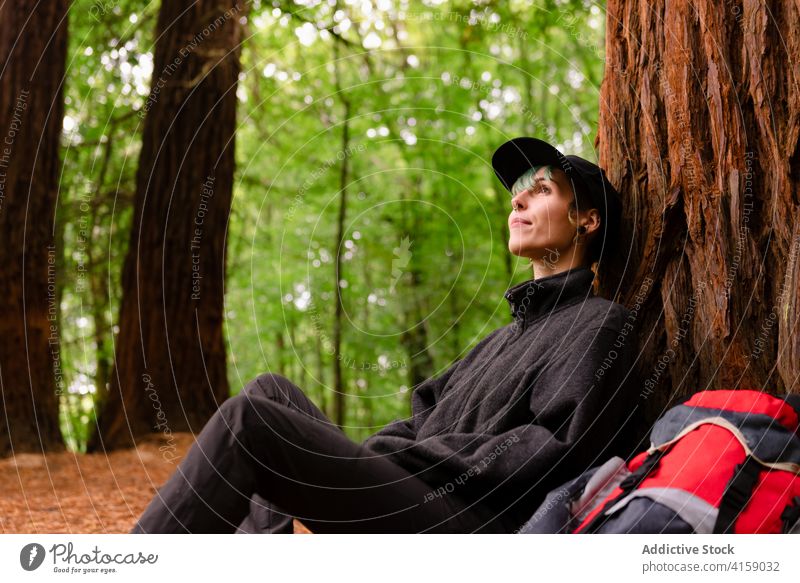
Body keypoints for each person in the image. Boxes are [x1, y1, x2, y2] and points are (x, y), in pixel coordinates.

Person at [131, 137, 640, 534]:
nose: (519, 199)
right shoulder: (500, 341)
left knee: (251, 422)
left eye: (543, 191)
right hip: (413, 497)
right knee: (270, 392)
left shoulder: (598, 325)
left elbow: (553, 452)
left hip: (471, 527)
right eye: (516, 193)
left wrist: (400, 459)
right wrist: (376, 454)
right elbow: (421, 415)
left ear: (587, 220)